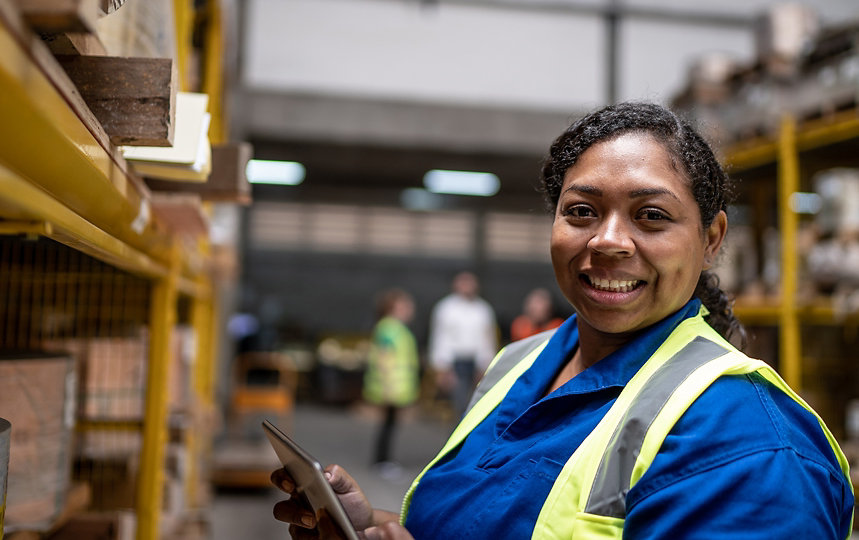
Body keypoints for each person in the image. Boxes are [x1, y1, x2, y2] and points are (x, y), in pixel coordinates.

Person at [271, 102, 854, 539]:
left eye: (651, 216)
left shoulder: (748, 447)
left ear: (711, 239)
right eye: (582, 211)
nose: (607, 241)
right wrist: (376, 527)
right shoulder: (518, 365)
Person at [362, 288, 420, 472]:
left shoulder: (394, 328)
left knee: (390, 424)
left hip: (397, 386)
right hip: (391, 387)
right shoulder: (389, 328)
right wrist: (388, 385)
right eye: (405, 306)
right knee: (387, 424)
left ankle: (384, 460)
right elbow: (383, 356)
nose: (410, 310)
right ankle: (382, 461)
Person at [427, 271, 497, 419]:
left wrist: (486, 365)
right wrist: (441, 367)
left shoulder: (483, 310)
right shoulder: (445, 308)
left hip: (476, 363)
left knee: (476, 405)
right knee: (459, 405)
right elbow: (440, 338)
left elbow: (487, 339)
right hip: (455, 362)